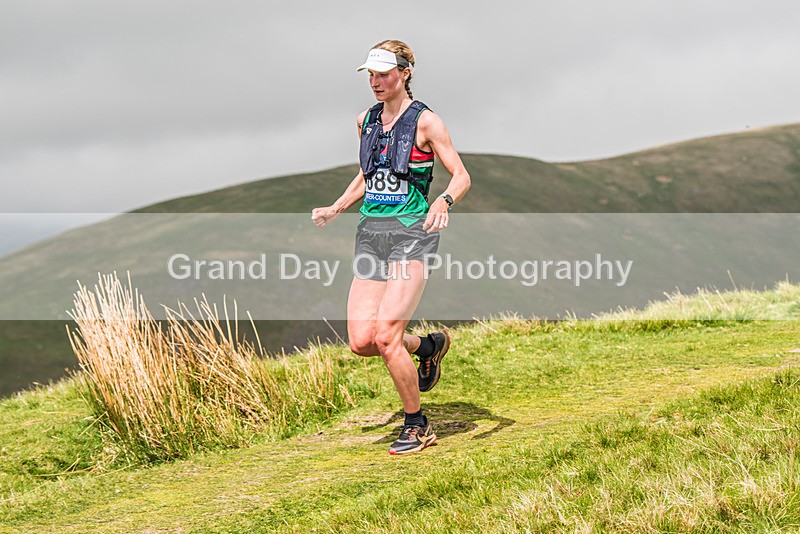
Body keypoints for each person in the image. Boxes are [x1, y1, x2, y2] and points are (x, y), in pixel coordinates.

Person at [312, 39, 471, 455]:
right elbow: (370, 173)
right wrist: (338, 206)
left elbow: (461, 176)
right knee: (362, 342)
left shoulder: (427, 122)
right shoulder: (365, 120)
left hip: (412, 236)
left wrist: (443, 200)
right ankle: (429, 346)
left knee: (386, 337)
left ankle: (417, 425)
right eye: (371, 74)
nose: (376, 81)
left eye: (384, 74)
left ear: (405, 74)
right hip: (371, 235)